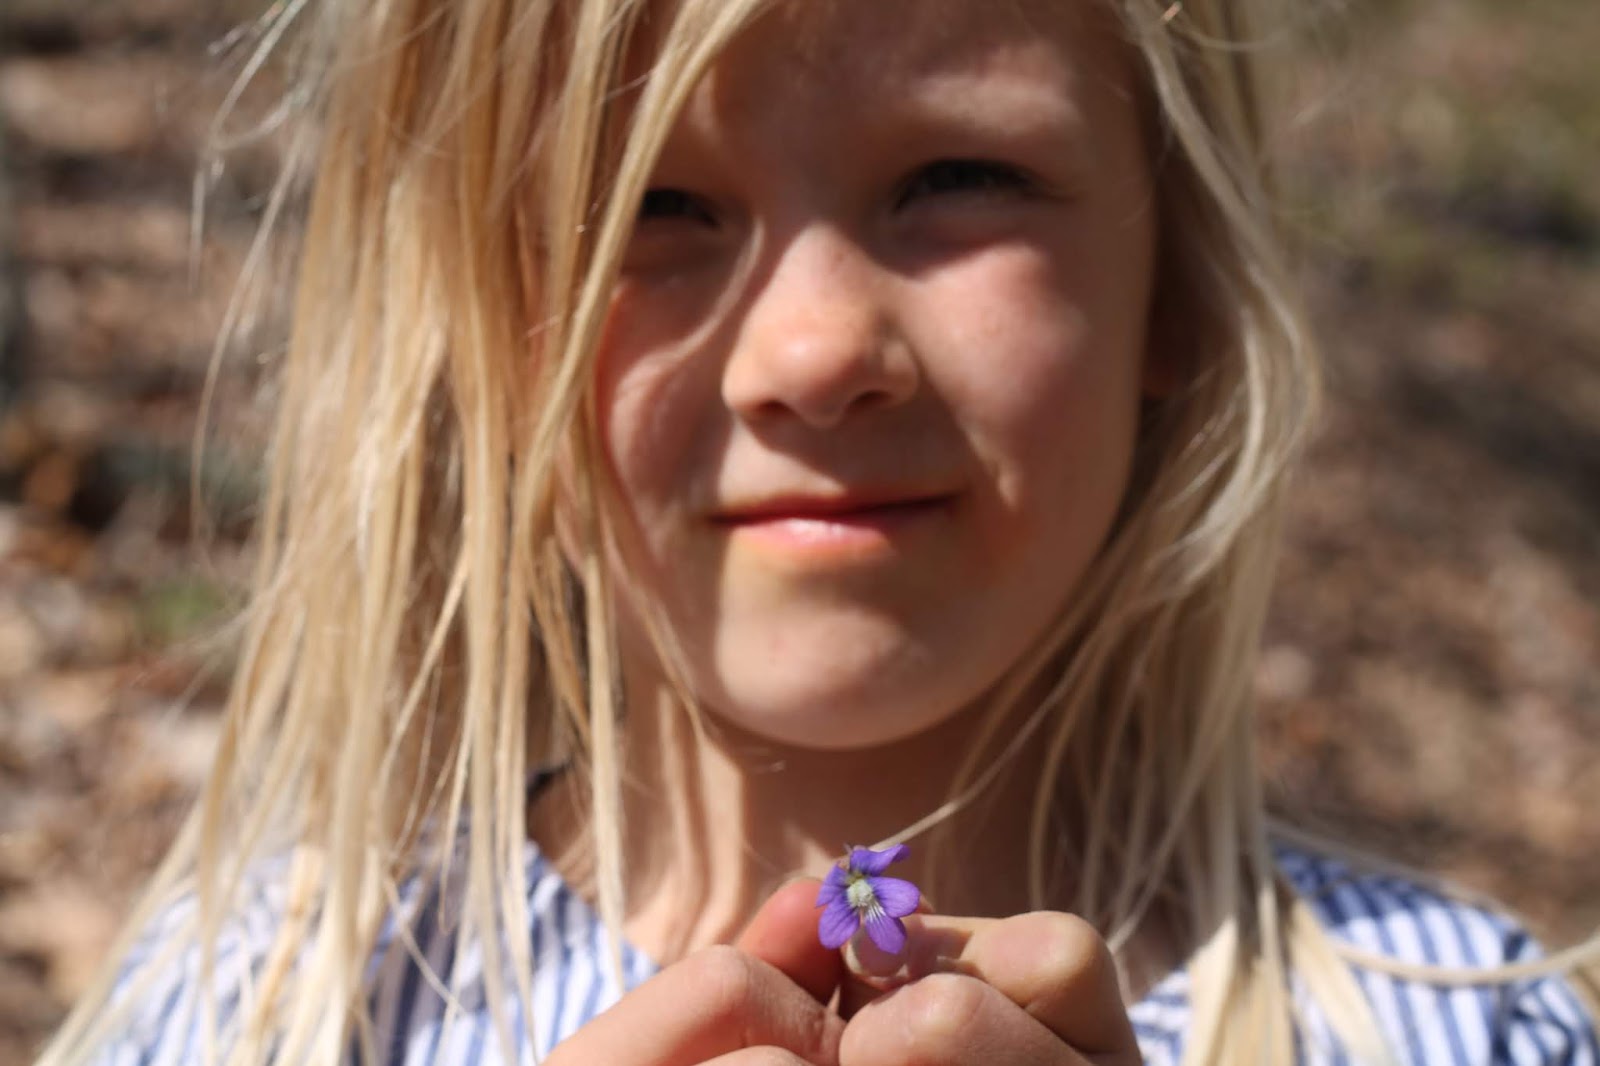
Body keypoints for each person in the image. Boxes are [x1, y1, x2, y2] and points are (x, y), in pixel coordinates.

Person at [38, 0, 1600, 1063]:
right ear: (486, 329)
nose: (814, 350)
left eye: (959, 175)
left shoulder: (1464, 1020)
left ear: (1177, 279)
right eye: (650, 205)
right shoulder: (270, 1005)